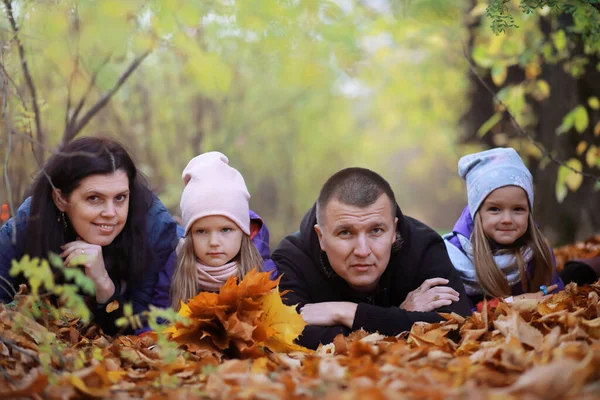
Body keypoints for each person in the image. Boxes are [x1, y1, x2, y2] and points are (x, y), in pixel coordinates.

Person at [273, 167, 472, 350]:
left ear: (394, 231)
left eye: (376, 230)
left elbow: (458, 325)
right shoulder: (292, 258)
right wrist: (401, 317)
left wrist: (347, 312)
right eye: (345, 233)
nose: (362, 250)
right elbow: (289, 335)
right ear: (321, 237)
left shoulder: (423, 246)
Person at [0, 137, 179, 334]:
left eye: (120, 198)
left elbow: (137, 332)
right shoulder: (30, 222)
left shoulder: (154, 230)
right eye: (94, 198)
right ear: (60, 199)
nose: (111, 212)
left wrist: (103, 284)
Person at [443, 148, 563, 310]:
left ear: (529, 211)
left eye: (518, 209)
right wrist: (514, 302)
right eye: (495, 209)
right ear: (476, 212)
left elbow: (556, 296)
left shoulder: (537, 252)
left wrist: (543, 297)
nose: (507, 219)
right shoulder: (455, 258)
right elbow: (459, 314)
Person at [151, 152, 273, 311]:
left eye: (226, 230)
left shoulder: (261, 268)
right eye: (201, 231)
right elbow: (157, 318)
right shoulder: (174, 266)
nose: (214, 242)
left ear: (244, 231)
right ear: (189, 235)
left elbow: (275, 323)